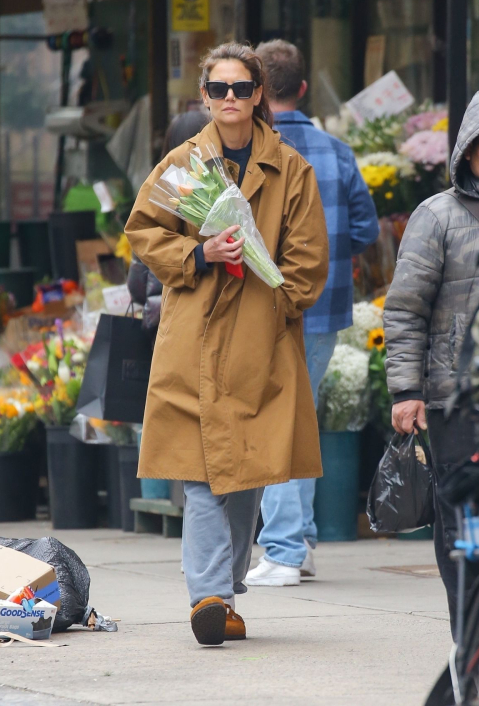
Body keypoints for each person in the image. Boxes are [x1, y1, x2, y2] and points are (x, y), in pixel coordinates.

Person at [125, 41, 329, 646]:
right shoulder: (183, 164)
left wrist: (276, 300)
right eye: (219, 90)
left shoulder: (291, 168)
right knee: (201, 476)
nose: (231, 99)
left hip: (261, 343)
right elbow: (143, 229)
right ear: (204, 96)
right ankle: (210, 596)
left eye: (242, 88)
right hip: (193, 338)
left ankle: (224, 592)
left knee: (247, 475)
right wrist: (199, 253)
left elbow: (308, 262)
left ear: (260, 94)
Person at [245, 39, 379, 587]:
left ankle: (283, 548)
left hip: (268, 308)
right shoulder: (335, 150)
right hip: (324, 310)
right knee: (300, 422)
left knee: (279, 424)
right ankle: (298, 543)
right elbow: (367, 229)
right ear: (302, 88)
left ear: (256, 89)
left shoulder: (254, 149)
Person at [384, 89, 479, 639]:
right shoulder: (437, 216)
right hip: (454, 405)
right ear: (468, 150)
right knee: (463, 529)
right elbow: (404, 311)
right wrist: (406, 391)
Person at [127, 111, 209, 332]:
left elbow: (136, 284)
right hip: (208, 318)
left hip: (166, 321)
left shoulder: (157, 193)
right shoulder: (220, 193)